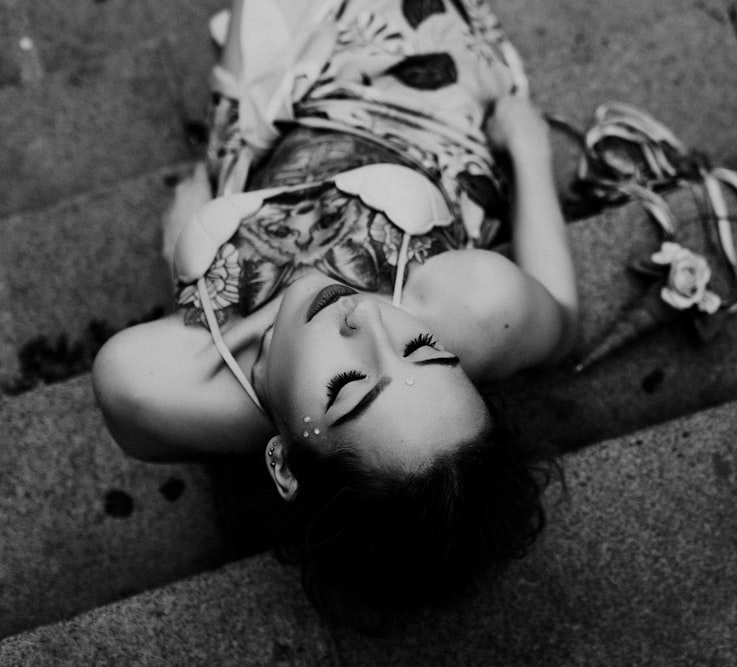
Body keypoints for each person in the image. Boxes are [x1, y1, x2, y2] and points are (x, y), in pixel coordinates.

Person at [91, 0, 577, 631]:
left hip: (260, 130)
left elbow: (140, 373)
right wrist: (531, 152)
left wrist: (192, 246)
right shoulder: (478, 304)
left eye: (348, 389)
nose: (366, 321)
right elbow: (564, 321)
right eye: (426, 350)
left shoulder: (150, 384)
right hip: (417, 95)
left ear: (284, 463)